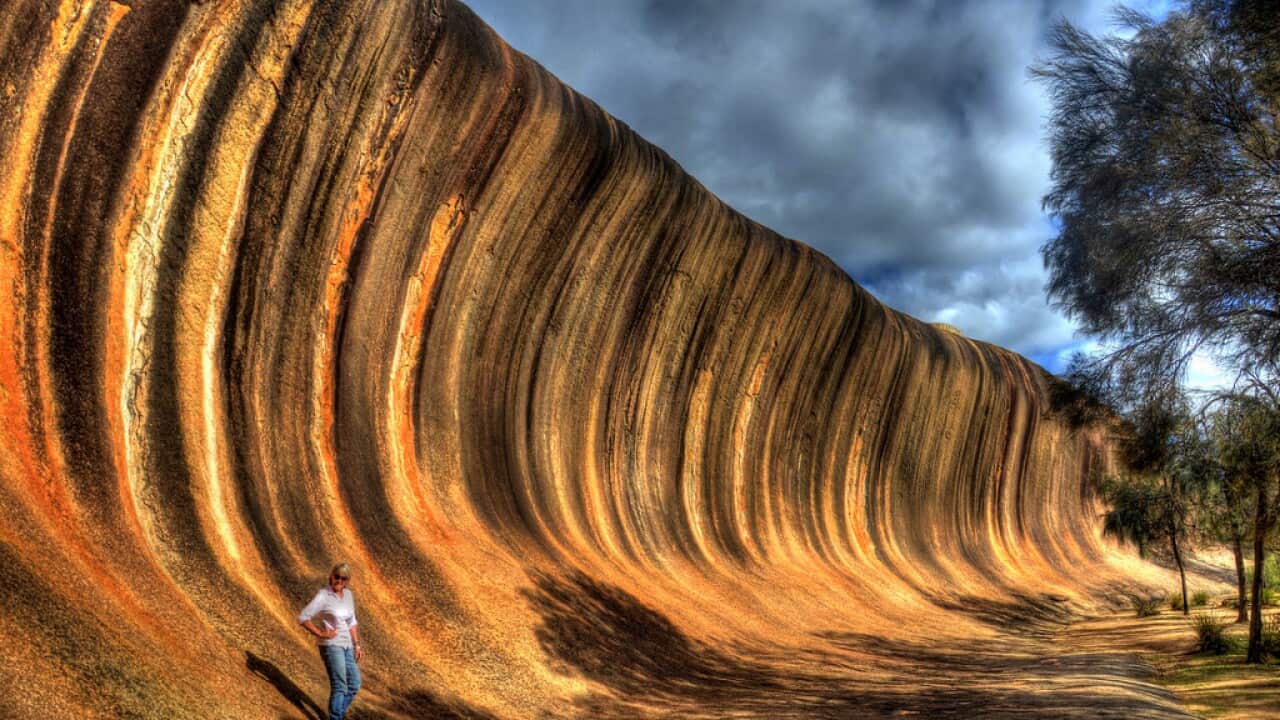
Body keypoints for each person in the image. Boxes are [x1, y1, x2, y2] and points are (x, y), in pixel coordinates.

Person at [298, 562, 364, 720]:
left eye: (344, 578)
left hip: (347, 645)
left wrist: (357, 645)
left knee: (355, 684)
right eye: (337, 577)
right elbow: (303, 617)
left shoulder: (348, 595)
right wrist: (320, 633)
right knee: (340, 686)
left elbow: (352, 622)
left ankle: (336, 715)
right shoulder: (323, 596)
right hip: (332, 646)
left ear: (347, 581)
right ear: (331, 576)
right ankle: (336, 718)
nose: (339, 581)